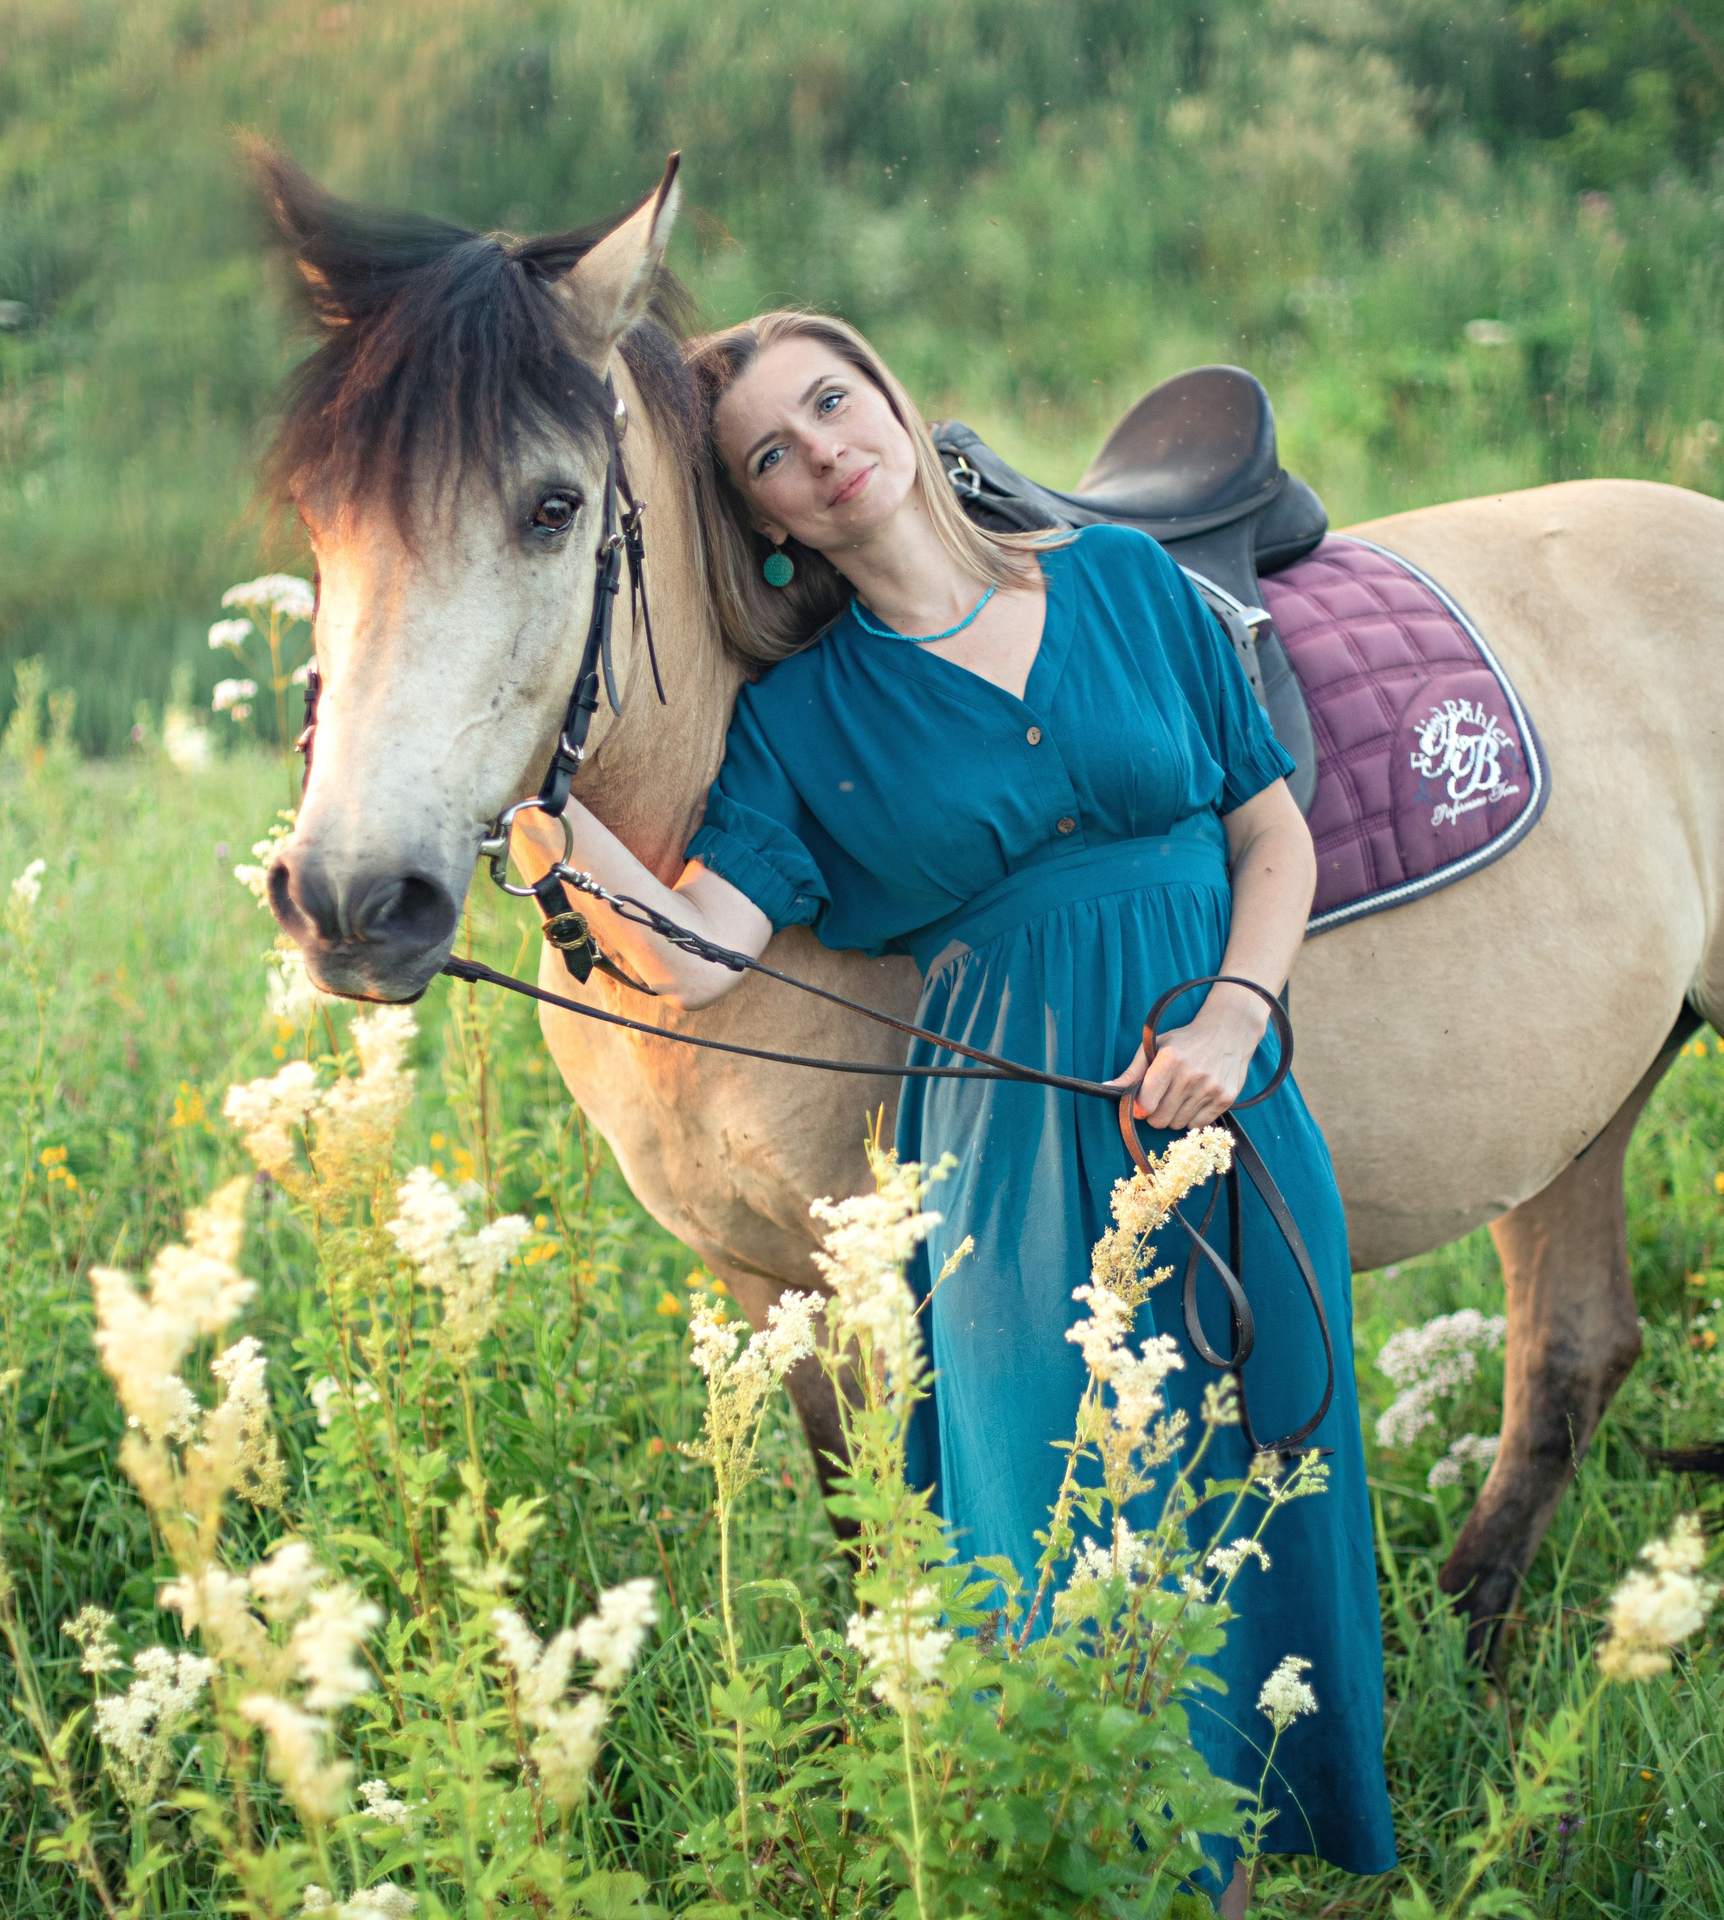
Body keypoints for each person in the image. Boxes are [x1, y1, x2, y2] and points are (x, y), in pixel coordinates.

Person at [519, 310, 1395, 1890]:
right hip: (1003, 1154)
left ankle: (1271, 1864)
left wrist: (1233, 1016)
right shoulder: (800, 725)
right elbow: (702, 953)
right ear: (767, 521)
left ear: (897, 401)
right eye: (771, 458)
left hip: (1230, 1101)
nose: (823, 453)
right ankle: (1114, 1875)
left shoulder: (1127, 584)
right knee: (1048, 1519)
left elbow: (1275, 835)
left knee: (1268, 1498)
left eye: (833, 403)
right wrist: (544, 812)